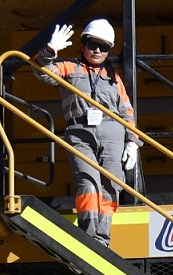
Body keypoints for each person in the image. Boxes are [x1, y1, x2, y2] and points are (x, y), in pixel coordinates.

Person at [35, 18, 139, 240]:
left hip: (113, 134)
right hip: (80, 133)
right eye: (92, 45)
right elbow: (41, 71)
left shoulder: (113, 78)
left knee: (111, 185)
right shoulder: (69, 68)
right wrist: (50, 49)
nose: (97, 50)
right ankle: (89, 237)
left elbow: (126, 111)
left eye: (103, 47)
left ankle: (102, 238)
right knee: (88, 181)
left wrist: (132, 141)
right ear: (83, 46)